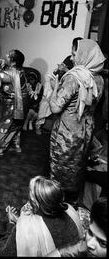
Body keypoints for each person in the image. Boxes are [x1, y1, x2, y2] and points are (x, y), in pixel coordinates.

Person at [0, 176, 84, 257]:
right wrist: (20, 222)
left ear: (36, 205)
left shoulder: (27, 227)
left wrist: (12, 224)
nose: (28, 202)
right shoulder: (69, 210)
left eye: (30, 199)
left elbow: (3, 252)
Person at [49, 39, 105, 208]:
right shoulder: (99, 79)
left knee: (61, 168)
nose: (72, 58)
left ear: (83, 56)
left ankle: (56, 204)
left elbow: (55, 108)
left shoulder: (74, 79)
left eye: (74, 54)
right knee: (77, 167)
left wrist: (55, 88)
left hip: (67, 133)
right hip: (85, 131)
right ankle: (72, 202)